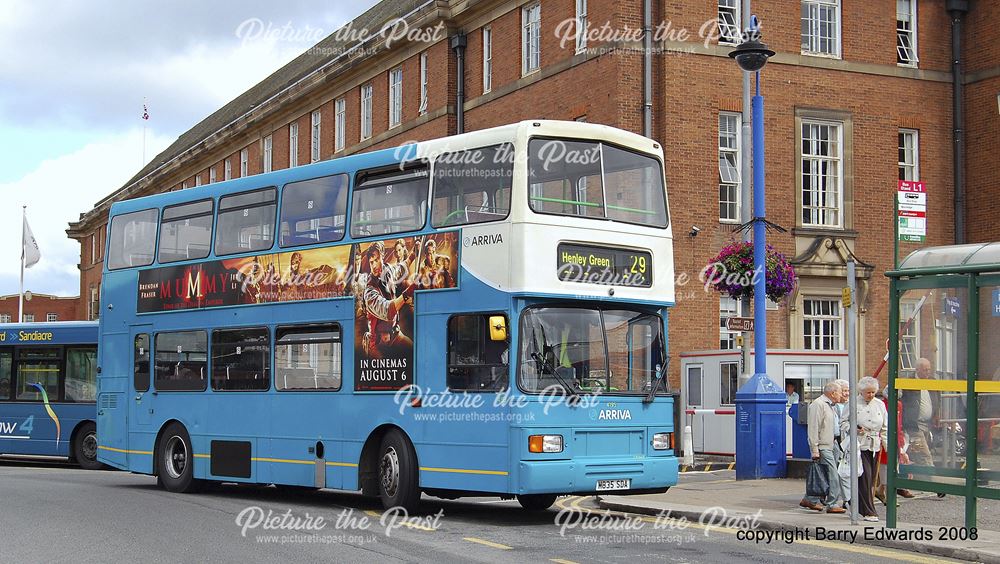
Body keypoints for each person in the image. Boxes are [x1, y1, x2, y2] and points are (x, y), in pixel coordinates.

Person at [800, 381, 846, 513]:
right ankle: (832, 504)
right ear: (833, 393)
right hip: (823, 445)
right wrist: (814, 449)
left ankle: (810, 499)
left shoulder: (833, 406)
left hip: (833, 443)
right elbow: (813, 428)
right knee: (833, 474)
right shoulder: (818, 405)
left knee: (824, 475)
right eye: (840, 392)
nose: (842, 394)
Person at [363, 244, 414, 359]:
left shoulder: (388, 270)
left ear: (382, 256)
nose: (374, 265)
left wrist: (413, 255)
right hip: (376, 343)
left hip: (395, 334)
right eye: (371, 262)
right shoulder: (370, 291)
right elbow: (387, 310)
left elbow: (400, 269)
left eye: (376, 260)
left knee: (414, 352)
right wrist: (408, 293)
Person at [850, 376, 889, 522]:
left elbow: (885, 428)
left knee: (872, 478)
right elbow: (844, 424)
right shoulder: (853, 403)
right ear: (861, 391)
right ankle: (869, 510)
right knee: (865, 477)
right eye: (868, 392)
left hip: (875, 445)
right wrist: (856, 429)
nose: (871, 395)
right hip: (859, 445)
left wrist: (888, 448)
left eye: (873, 392)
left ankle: (857, 504)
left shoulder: (879, 404)